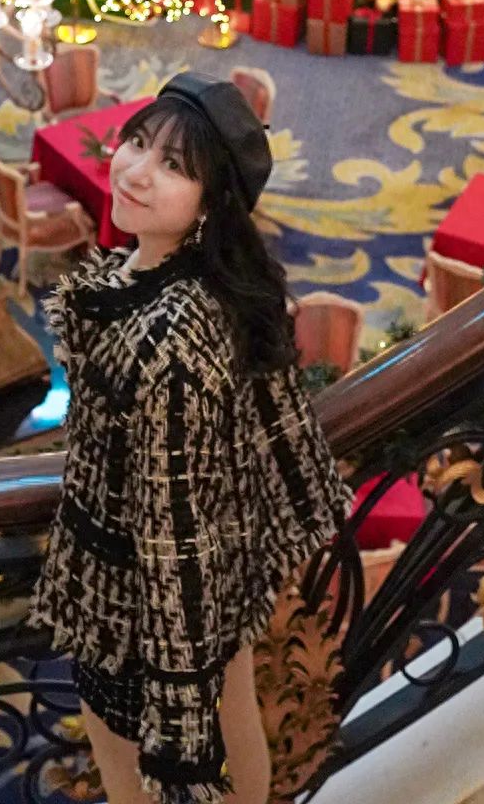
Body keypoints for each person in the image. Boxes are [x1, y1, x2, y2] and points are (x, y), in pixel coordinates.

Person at [30, 75, 349, 804]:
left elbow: (177, 535)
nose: (137, 170)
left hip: (135, 609)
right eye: (138, 142)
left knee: (133, 776)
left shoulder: (168, 342)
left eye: (174, 167)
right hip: (201, 594)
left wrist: (178, 716)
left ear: (211, 208)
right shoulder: (176, 286)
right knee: (235, 705)